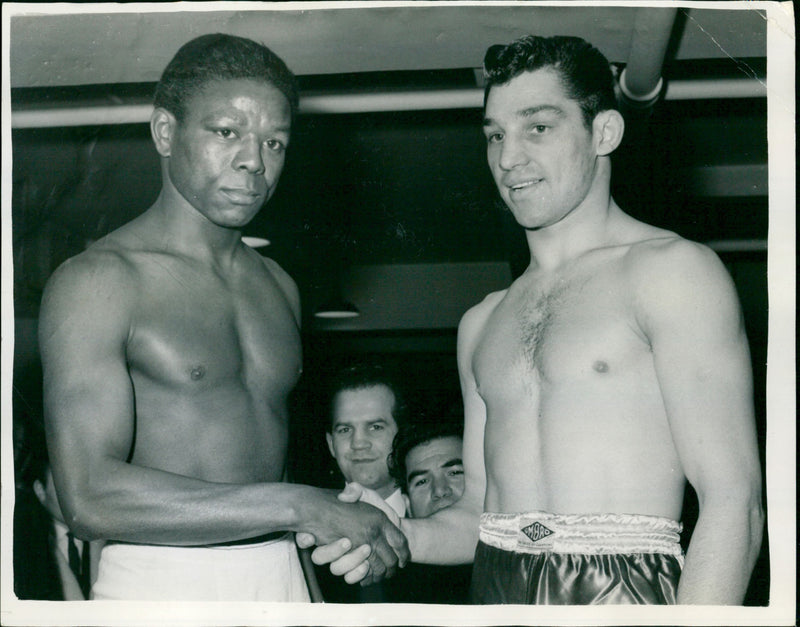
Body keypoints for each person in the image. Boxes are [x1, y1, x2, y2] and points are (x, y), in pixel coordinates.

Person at [303, 34, 764, 605]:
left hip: (622, 590)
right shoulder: (483, 321)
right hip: (496, 582)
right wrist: (386, 535)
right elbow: (476, 514)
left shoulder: (671, 272)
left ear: (604, 133)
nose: (508, 157)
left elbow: (733, 500)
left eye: (537, 128)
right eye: (495, 134)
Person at [37, 33, 406, 602]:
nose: (254, 161)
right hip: (161, 582)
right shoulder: (98, 281)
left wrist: (330, 549)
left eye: (275, 142)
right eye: (227, 132)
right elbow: (88, 496)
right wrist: (302, 503)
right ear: (166, 132)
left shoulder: (279, 285)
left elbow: (276, 475)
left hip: (282, 571)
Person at [384, 419, 473, 604]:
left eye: (455, 472)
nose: (440, 490)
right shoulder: (394, 597)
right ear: (407, 504)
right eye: (422, 482)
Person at [326, 364, 409, 518]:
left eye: (375, 427)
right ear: (331, 444)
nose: (358, 443)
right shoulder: (308, 531)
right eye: (345, 430)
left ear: (402, 436)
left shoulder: (439, 521)